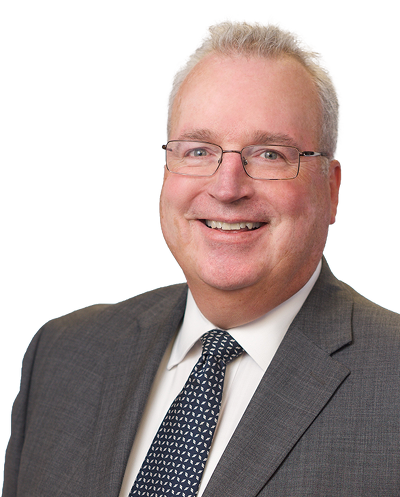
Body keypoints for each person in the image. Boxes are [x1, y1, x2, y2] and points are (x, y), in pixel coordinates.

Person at [3, 12, 399, 497]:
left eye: (269, 154)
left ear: (333, 188)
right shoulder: (62, 353)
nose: (227, 188)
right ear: (165, 172)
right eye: (198, 151)